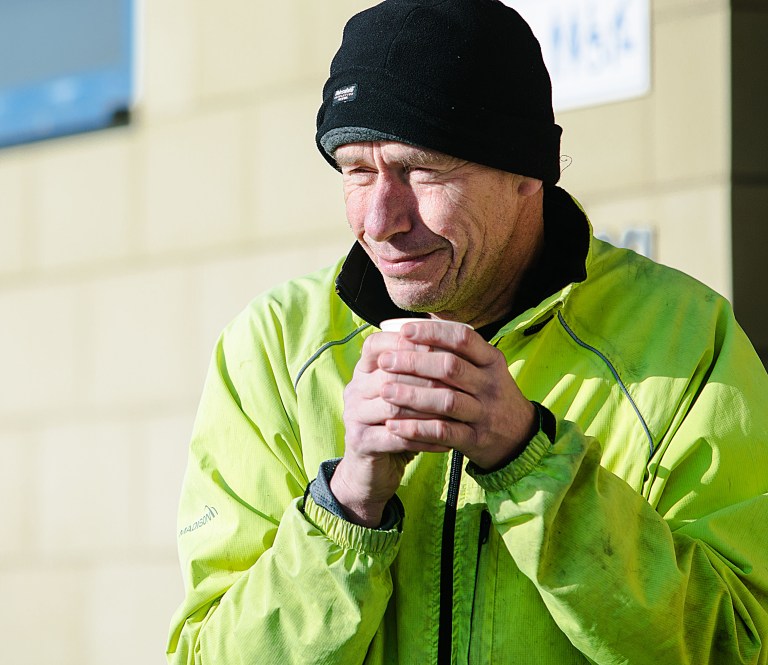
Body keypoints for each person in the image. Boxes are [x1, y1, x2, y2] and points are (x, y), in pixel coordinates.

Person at [166, 1, 768, 663]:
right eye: (356, 171)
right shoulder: (275, 348)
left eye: (421, 169)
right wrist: (345, 507)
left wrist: (529, 459)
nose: (380, 219)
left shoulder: (685, 340)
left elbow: (739, 645)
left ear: (526, 173)